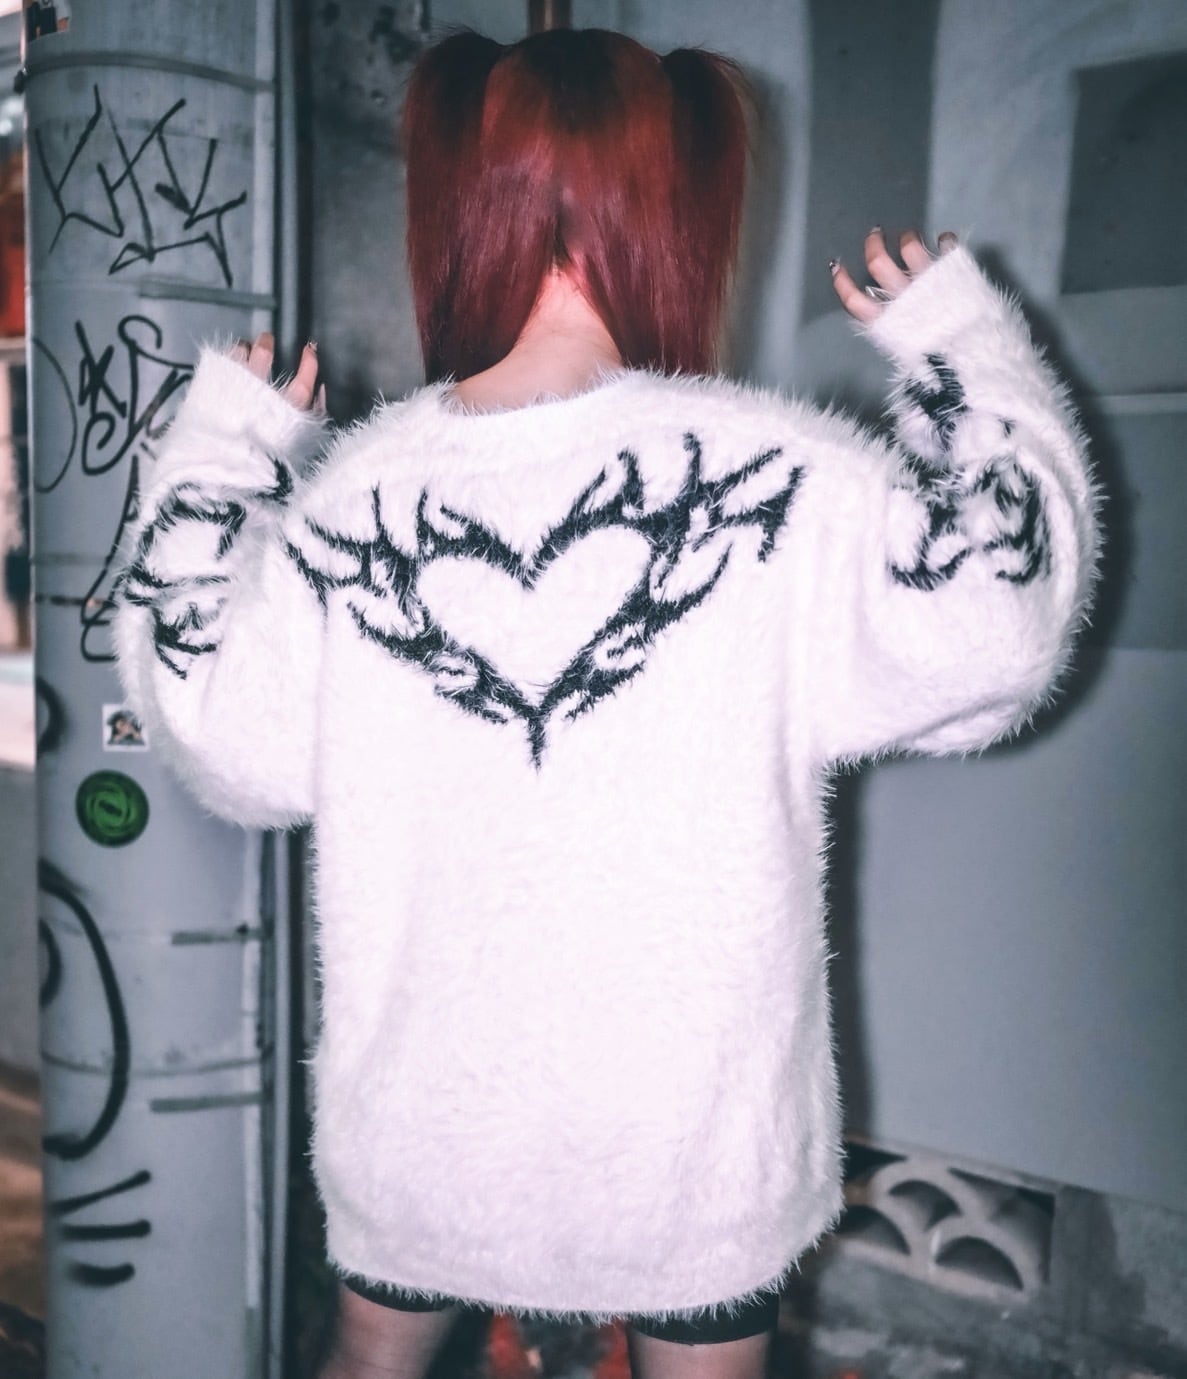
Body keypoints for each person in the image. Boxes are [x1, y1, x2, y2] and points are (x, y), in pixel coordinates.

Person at [114, 26, 1098, 1379]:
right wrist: (961, 355)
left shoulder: (347, 509)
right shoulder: (787, 482)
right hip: (692, 1149)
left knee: (371, 1365)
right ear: (676, 210)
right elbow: (1002, 630)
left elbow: (222, 738)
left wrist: (218, 460)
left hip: (428, 1129)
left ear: (462, 207)